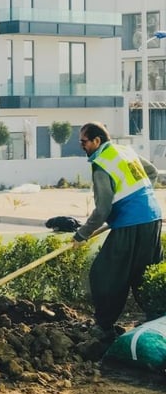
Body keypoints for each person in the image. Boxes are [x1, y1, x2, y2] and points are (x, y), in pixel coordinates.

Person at [72, 121, 162, 341]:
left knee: (105, 274)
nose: (82, 146)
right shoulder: (124, 151)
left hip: (131, 223)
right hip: (152, 216)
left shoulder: (101, 164)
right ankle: (159, 319)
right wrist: (138, 199)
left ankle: (104, 327)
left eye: (84, 142)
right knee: (144, 273)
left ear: (97, 141)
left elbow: (103, 209)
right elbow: (152, 172)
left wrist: (82, 234)